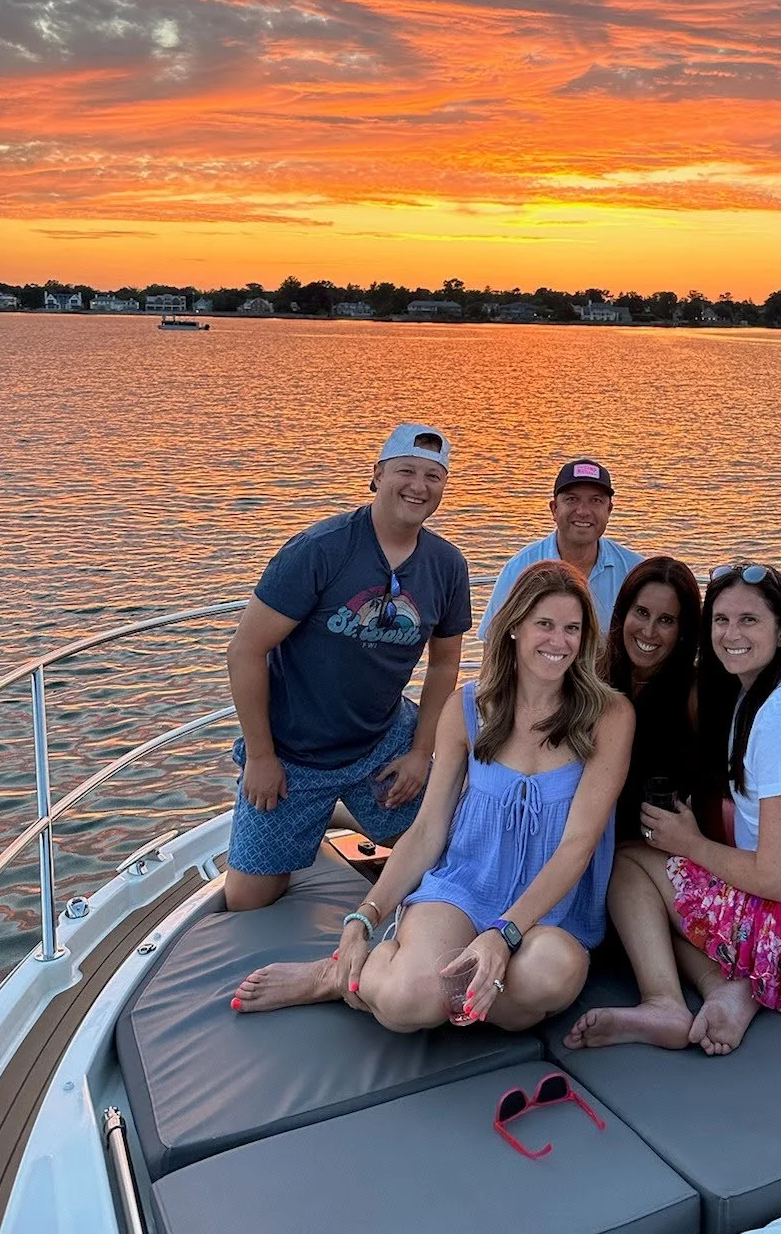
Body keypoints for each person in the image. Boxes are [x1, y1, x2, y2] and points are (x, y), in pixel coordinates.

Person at [231, 561, 634, 1031]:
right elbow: (426, 832)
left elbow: (578, 845)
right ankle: (333, 975)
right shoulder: (469, 708)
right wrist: (365, 916)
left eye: (572, 629)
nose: (558, 642)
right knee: (406, 1004)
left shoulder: (608, 715)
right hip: (465, 889)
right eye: (544, 625)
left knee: (545, 977)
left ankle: (454, 986)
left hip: (549, 913)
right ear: (514, 629)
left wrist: (504, 936)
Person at [567, 562, 781, 1058]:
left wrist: (691, 845)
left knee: (629, 865)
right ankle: (728, 988)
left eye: (749, 620)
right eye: (721, 620)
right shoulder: (777, 691)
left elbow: (777, 879)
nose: (731, 634)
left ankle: (665, 1002)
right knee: (665, 895)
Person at [223, 422, 471, 911]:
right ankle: (321, 809)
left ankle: (345, 812)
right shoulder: (320, 550)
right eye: (406, 471)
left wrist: (422, 752)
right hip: (294, 753)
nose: (418, 487)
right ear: (376, 475)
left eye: (433, 477)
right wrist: (260, 757)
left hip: (381, 739)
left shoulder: (447, 565)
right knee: (247, 900)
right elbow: (244, 651)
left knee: (443, 852)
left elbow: (445, 665)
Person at [477, 459, 641, 638]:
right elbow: (493, 643)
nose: (583, 511)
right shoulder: (519, 568)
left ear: (609, 510)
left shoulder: (634, 571)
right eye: (572, 499)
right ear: (554, 509)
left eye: (596, 500)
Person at [601, 557, 703, 843]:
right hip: (591, 836)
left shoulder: (694, 694)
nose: (648, 631)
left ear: (683, 630)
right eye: (642, 612)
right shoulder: (594, 676)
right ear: (623, 612)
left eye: (666, 621)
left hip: (652, 849)